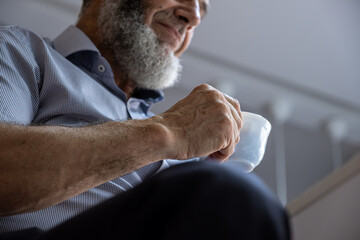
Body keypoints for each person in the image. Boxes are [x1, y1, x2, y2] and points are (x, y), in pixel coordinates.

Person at [0, 0, 291, 239]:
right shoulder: (21, 51)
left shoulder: (180, 138)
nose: (193, 17)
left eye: (202, 7)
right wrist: (167, 132)